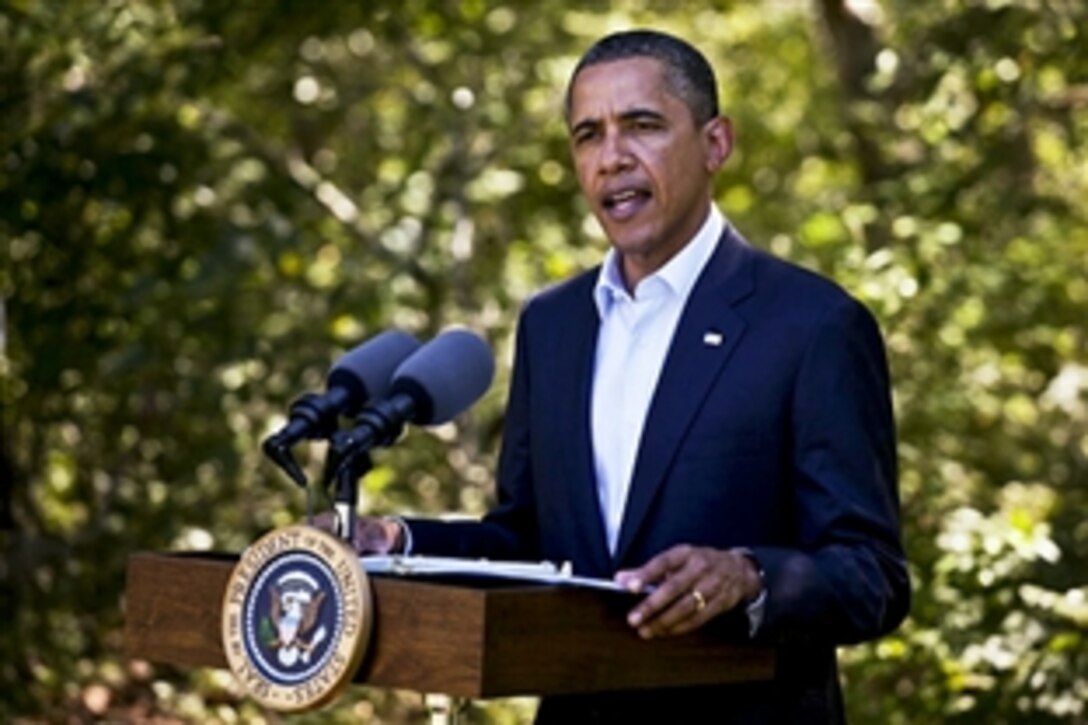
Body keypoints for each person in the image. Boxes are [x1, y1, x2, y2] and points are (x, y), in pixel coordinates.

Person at [344, 29, 910, 723]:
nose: (612, 157)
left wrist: (749, 576)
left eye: (641, 125)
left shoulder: (813, 324)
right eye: (588, 135)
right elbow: (525, 543)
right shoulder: (553, 325)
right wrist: (399, 542)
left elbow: (871, 575)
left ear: (716, 144)